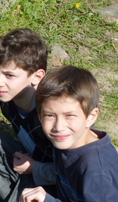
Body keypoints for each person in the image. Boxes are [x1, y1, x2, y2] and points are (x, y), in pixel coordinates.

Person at [0, 28, 56, 201]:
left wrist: (36, 168)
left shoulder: (52, 115)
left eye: (9, 75)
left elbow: (76, 169)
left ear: (37, 76)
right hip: (31, 161)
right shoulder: (7, 99)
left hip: (59, 182)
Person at [20, 65, 118, 202]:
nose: (59, 127)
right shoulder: (69, 139)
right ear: (40, 116)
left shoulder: (95, 171)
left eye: (69, 115)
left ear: (90, 117)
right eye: (50, 115)